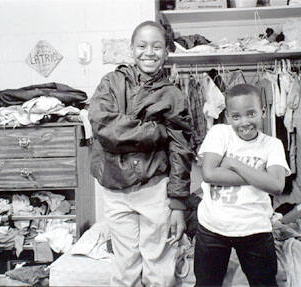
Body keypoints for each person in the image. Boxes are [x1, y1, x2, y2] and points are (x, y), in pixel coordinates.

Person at [88, 21, 193, 286]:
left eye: (157, 46)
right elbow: (104, 128)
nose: (149, 52)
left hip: (154, 189)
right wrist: (156, 132)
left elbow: (181, 150)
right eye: (142, 46)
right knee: (125, 267)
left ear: (166, 52)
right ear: (132, 49)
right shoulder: (110, 83)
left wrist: (178, 204)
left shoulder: (173, 95)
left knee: (159, 265)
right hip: (114, 188)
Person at [194, 84, 291, 287]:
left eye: (251, 114)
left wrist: (234, 164)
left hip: (255, 228)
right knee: (206, 284)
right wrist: (261, 177)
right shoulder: (220, 133)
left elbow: (276, 186)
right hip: (213, 227)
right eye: (236, 116)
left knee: (264, 283)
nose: (244, 122)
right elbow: (210, 174)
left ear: (263, 112)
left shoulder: (273, 145)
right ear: (228, 117)